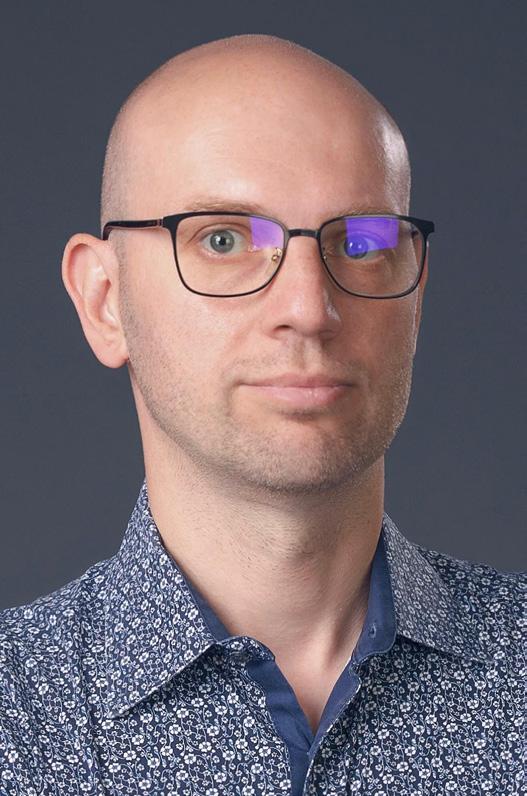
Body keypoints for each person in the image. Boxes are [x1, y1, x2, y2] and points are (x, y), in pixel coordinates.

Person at [0, 33, 524, 796]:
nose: (308, 309)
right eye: (223, 239)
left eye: (361, 242)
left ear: (416, 291)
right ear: (104, 300)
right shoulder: (15, 717)